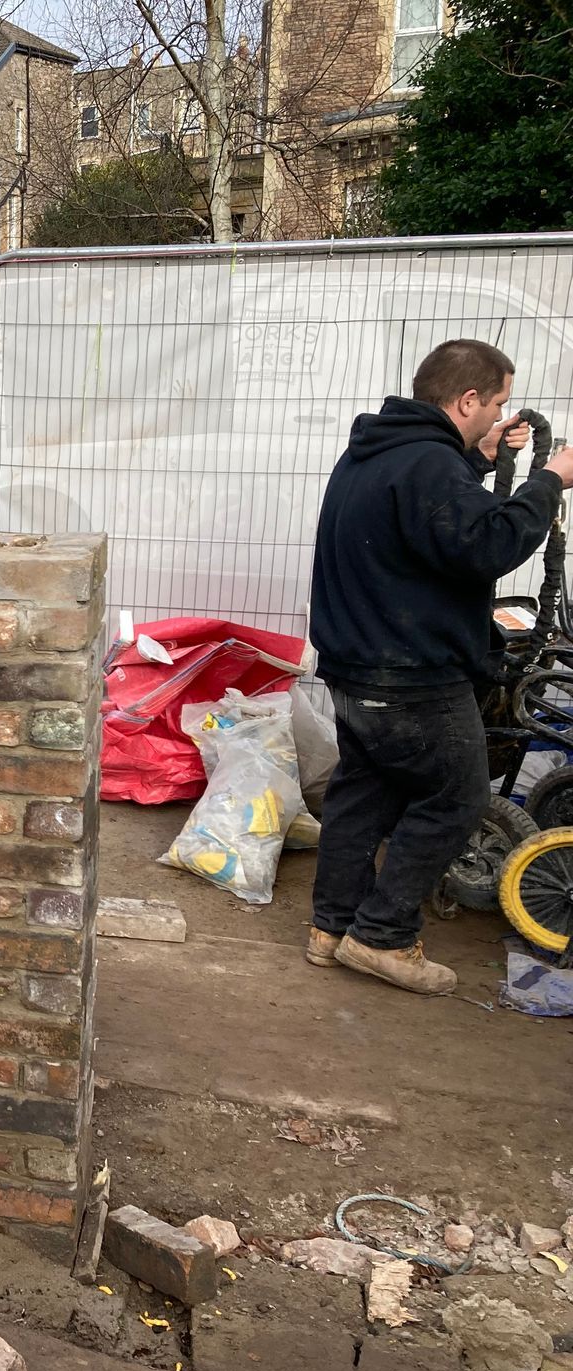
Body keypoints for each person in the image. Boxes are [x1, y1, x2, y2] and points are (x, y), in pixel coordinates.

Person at [308, 338, 573, 994]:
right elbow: (484, 545)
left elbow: (425, 521)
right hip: (410, 676)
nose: (499, 418)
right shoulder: (427, 464)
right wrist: (550, 480)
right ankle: (381, 937)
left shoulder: (378, 451)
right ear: (467, 399)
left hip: (353, 667)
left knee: (362, 796)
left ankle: (331, 929)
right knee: (457, 798)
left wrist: (477, 462)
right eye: (497, 405)